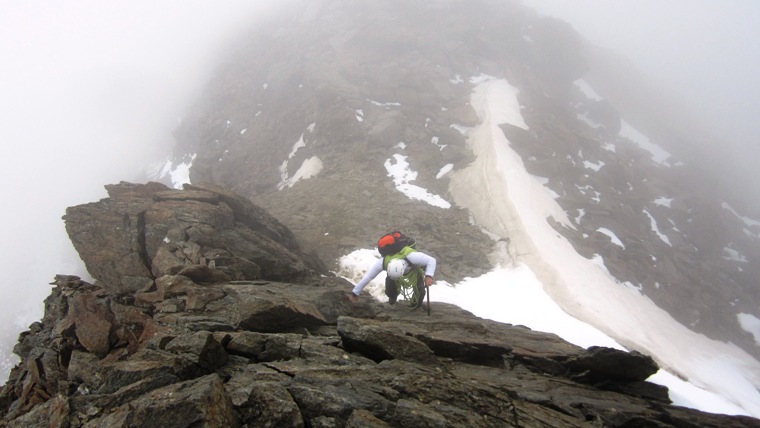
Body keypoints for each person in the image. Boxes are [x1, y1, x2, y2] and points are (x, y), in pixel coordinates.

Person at [348, 235, 436, 308]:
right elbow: (368, 277)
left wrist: (429, 276)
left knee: (420, 291)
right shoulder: (383, 262)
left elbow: (431, 260)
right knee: (390, 287)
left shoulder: (411, 256)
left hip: (413, 270)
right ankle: (392, 296)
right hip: (393, 274)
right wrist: (355, 293)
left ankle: (415, 304)